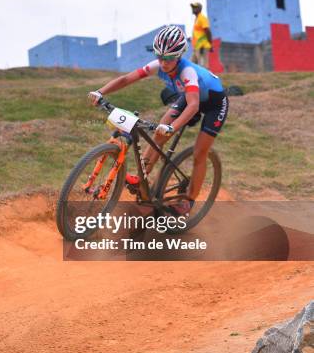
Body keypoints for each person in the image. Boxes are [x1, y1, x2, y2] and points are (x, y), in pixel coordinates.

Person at [88, 25, 228, 215]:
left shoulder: (187, 72)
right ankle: (142, 178)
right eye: (159, 56)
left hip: (214, 103)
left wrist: (172, 128)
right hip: (188, 96)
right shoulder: (158, 65)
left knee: (199, 152)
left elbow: (193, 106)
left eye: (169, 58)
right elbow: (127, 79)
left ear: (179, 56)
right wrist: (100, 91)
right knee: (158, 135)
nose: (163, 62)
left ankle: (189, 200)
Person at [190, 2, 213, 68]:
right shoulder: (197, 19)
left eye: (195, 7)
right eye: (192, 7)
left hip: (202, 46)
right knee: (191, 65)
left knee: (202, 66)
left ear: (199, 9)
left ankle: (206, 78)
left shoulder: (202, 18)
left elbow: (208, 31)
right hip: (197, 46)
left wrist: (210, 44)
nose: (193, 9)